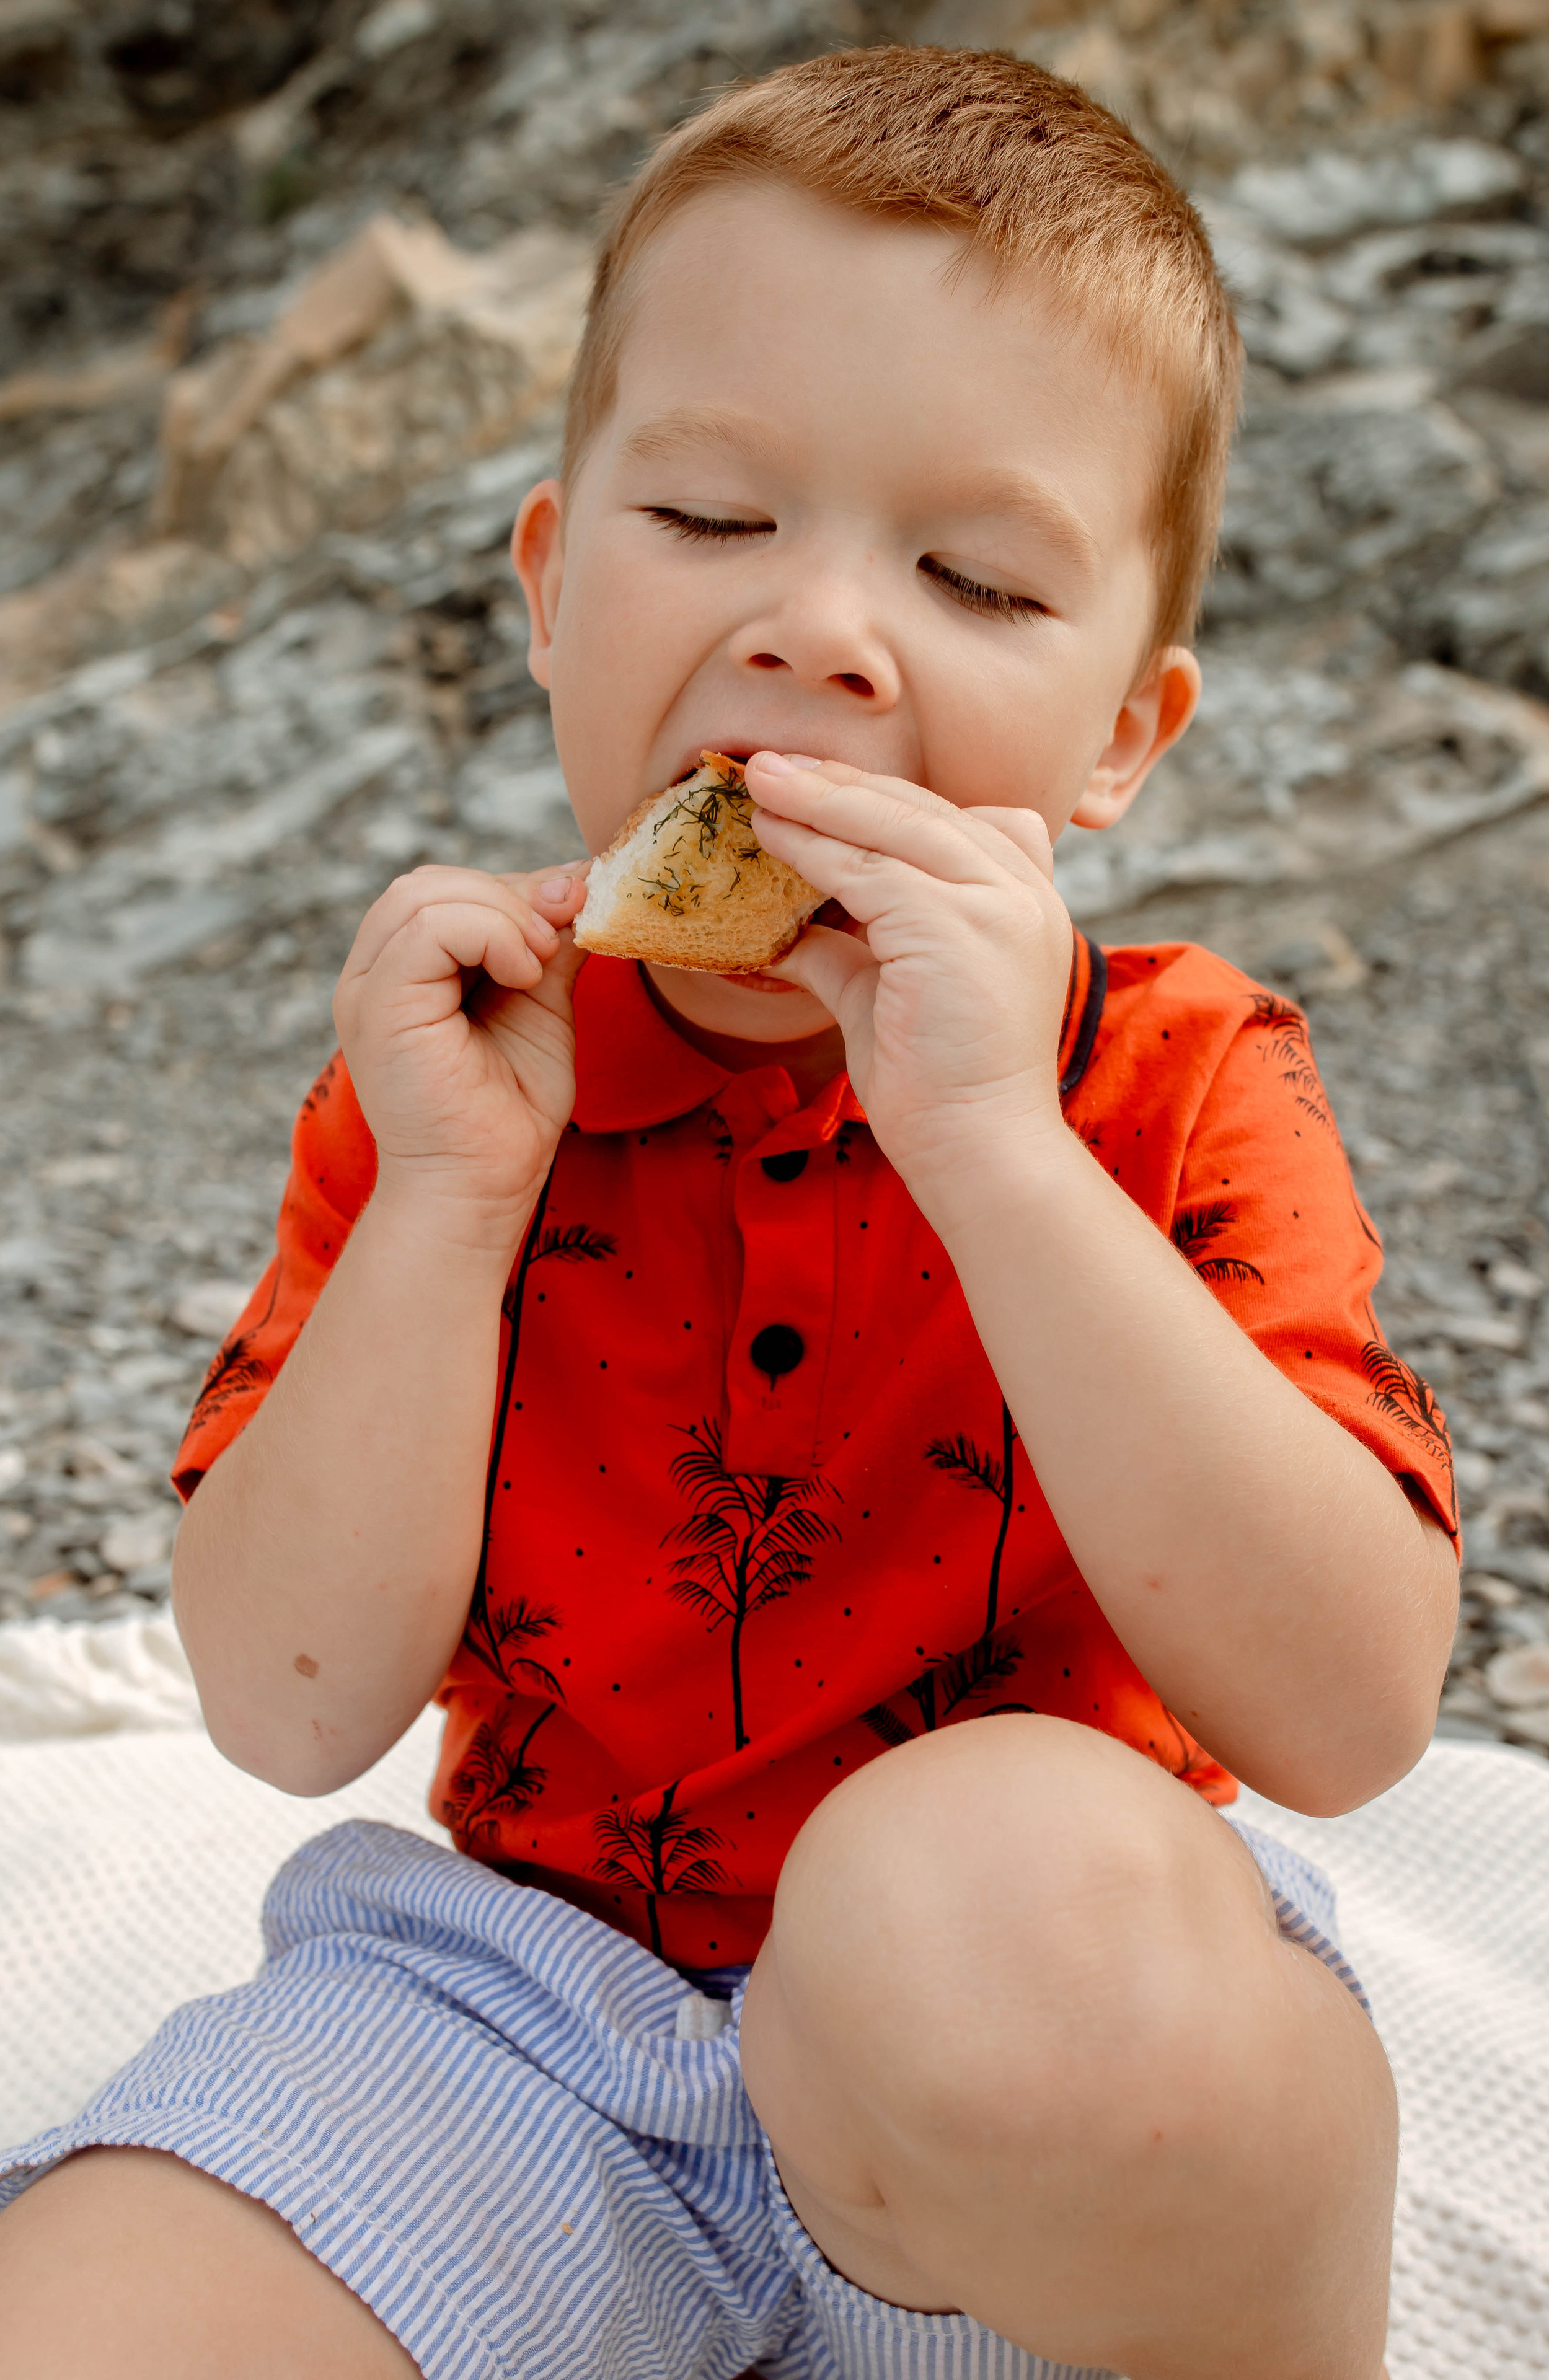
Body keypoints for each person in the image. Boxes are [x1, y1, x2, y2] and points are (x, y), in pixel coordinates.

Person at [0, 46, 1459, 2380]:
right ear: (557, 590)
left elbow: (1354, 1705)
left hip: (1030, 2053)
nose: (824, 634)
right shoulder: (460, 1075)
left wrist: (990, 1145)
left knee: (991, 1927)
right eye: (708, 524)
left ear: (1121, 736)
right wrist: (448, 1217)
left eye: (976, 576)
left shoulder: (1182, 1073)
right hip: (532, 2010)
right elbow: (284, 1706)